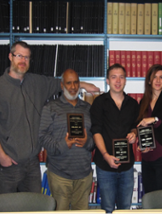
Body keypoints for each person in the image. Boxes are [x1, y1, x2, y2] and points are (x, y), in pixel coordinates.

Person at [0, 41, 99, 194]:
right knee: (5, 208)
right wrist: (1, 155)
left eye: (27, 58)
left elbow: (62, 84)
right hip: (9, 165)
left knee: (35, 208)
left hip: (32, 164)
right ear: (10, 56)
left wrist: (83, 85)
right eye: (19, 56)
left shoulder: (36, 82)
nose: (23, 61)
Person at [39, 69, 94, 210]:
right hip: (59, 175)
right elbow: (42, 136)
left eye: (76, 82)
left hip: (83, 174)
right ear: (62, 85)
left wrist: (87, 142)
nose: (73, 87)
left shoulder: (88, 108)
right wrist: (63, 145)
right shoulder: (50, 107)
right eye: (69, 83)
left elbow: (96, 136)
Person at [90, 63, 139, 214]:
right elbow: (96, 131)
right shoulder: (99, 102)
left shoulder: (132, 104)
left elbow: (135, 126)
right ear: (107, 80)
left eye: (121, 77)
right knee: (108, 208)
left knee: (125, 207)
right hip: (105, 166)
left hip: (127, 166)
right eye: (114, 77)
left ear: (125, 80)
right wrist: (105, 155)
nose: (118, 81)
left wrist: (134, 134)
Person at [136, 64, 162, 193]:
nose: (158, 81)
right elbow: (140, 127)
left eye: (161, 77)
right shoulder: (143, 102)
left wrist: (156, 120)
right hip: (146, 159)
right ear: (149, 80)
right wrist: (140, 145)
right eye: (155, 77)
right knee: (149, 198)